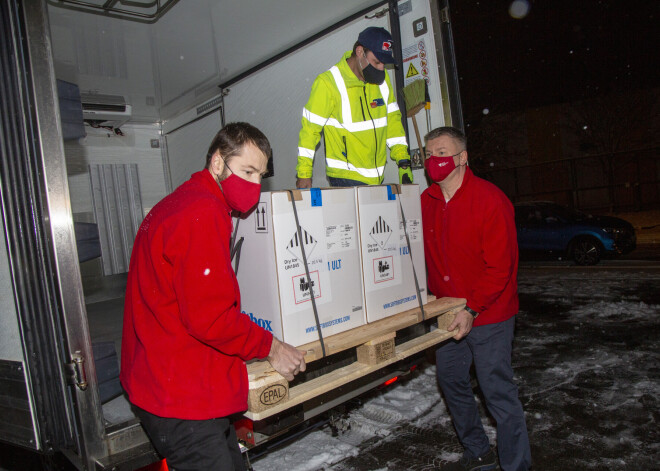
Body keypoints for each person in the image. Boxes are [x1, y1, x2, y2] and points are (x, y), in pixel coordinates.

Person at [120, 122, 306, 471]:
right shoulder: (202, 212)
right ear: (218, 163)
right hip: (179, 398)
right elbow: (211, 318)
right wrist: (273, 348)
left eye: (260, 176)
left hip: (172, 379)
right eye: (246, 171)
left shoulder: (182, 202)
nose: (253, 185)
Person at [421, 127, 531, 471]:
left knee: (496, 390)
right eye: (428, 153)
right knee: (451, 381)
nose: (433, 159)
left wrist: (472, 308)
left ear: (462, 157)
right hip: (447, 312)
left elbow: (500, 267)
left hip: (490, 313)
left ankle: (516, 465)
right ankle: (477, 449)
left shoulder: (490, 199)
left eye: (441, 151)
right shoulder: (425, 202)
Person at [296, 26, 412, 188]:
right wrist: (304, 174)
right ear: (359, 52)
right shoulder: (328, 83)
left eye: (383, 64)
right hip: (345, 177)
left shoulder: (383, 82)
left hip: (377, 178)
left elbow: (392, 121)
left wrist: (403, 161)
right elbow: (310, 130)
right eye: (376, 62)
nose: (381, 69)